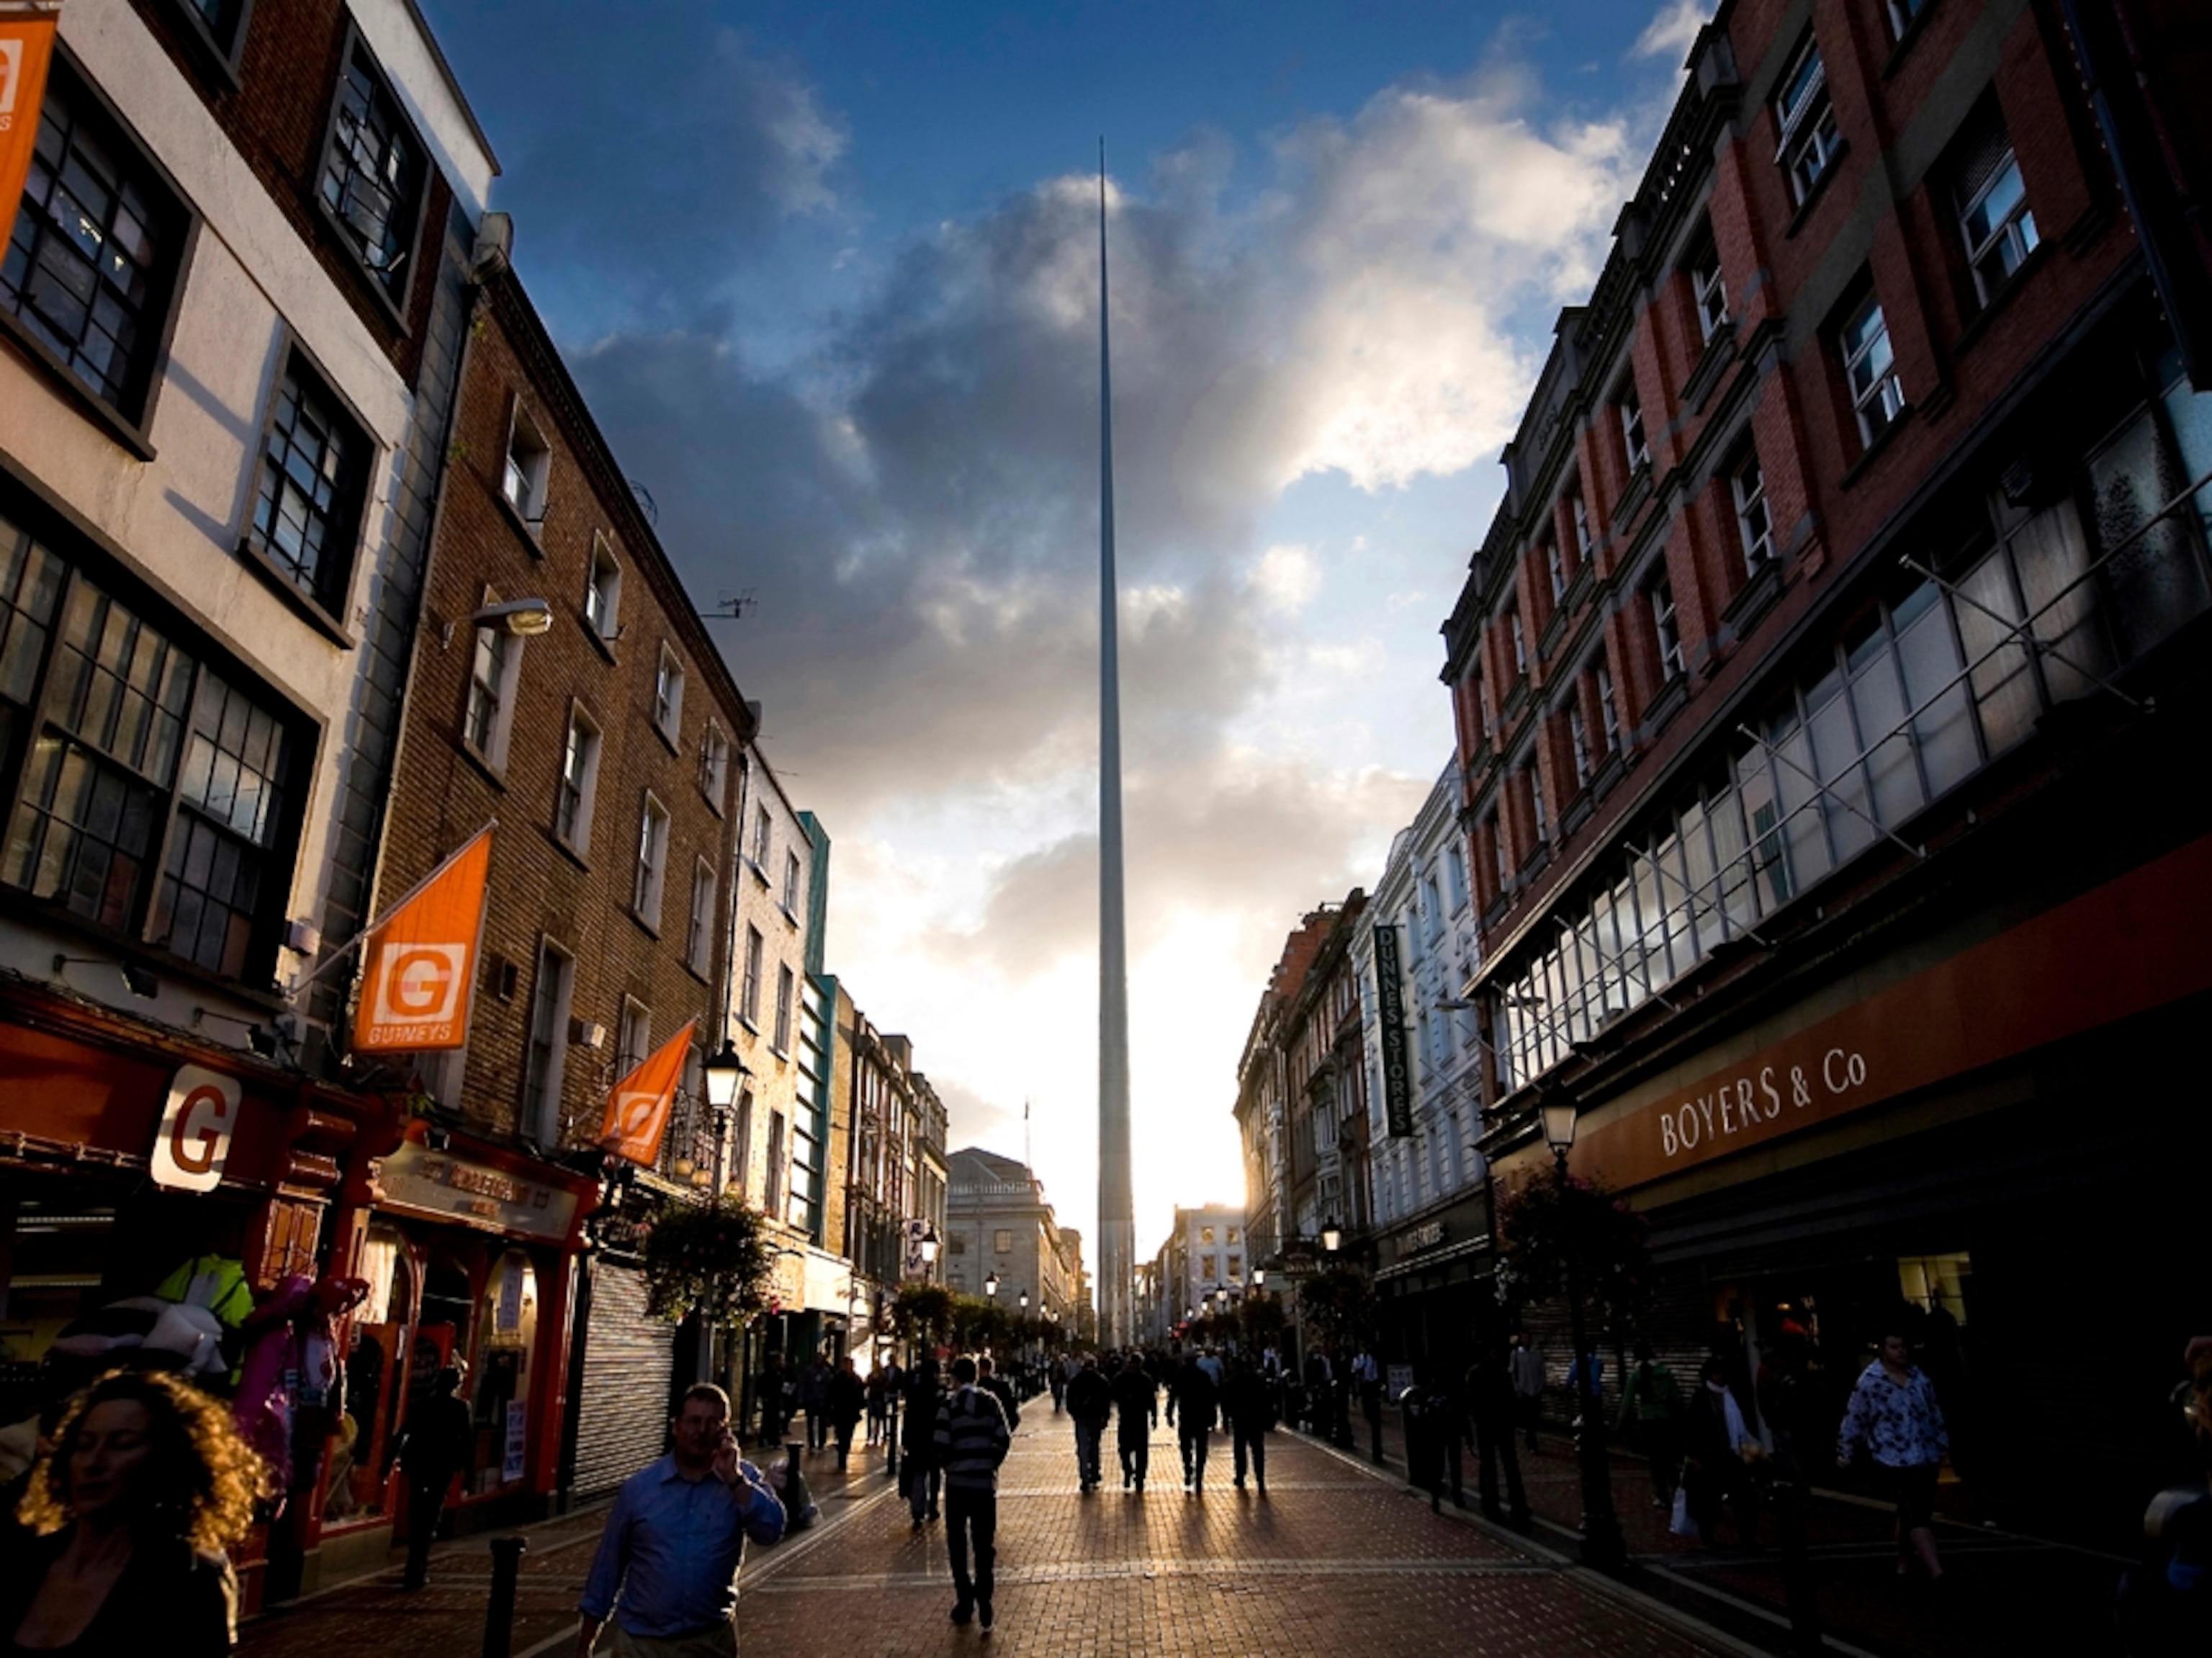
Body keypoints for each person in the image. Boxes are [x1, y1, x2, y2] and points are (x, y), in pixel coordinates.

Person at [2, 1369, 258, 1657]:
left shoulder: (184, 1583)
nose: (94, 1462)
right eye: (84, 1446)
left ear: (165, 1459)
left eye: (122, 1444)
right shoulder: (22, 1560)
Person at [575, 1382, 784, 1657]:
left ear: (725, 1431)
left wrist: (734, 1480)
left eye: (712, 1423)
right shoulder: (640, 1489)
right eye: (694, 1421)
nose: (701, 1431)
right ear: (676, 1427)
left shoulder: (740, 1480)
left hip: (709, 1643)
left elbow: (771, 1530)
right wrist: (585, 1643)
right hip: (642, 1645)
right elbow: (607, 1567)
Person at [1837, 1329, 1948, 1580]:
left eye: (1904, 1347)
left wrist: (1941, 1444)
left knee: (1914, 1511)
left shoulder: (1919, 1377)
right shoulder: (1870, 1381)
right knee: (1916, 1512)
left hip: (1924, 1453)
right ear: (1883, 1350)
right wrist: (1846, 1451)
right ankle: (1936, 1570)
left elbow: (1933, 1411)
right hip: (1893, 1457)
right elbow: (1855, 1418)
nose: (1901, 1352)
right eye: (1895, 1347)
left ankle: (1904, 1560)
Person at [935, 1356, 1011, 1631]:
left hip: (957, 1486)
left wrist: (951, 1466)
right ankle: (985, 1597)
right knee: (983, 1545)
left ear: (955, 1378)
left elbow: (941, 1444)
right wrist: (990, 1464)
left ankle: (965, 1601)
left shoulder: (948, 1407)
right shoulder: (991, 1404)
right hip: (983, 1486)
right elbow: (1004, 1437)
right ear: (976, 1376)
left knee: (957, 1545)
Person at [394, 1360, 475, 1590]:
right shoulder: (460, 1408)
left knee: (417, 1512)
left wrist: (388, 1463)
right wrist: (468, 1473)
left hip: (421, 1465)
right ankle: (419, 1566)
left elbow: (403, 1433)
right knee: (430, 1516)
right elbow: (467, 1442)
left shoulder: (424, 1404)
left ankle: (414, 1564)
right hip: (441, 1468)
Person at [1684, 1355, 1761, 1550]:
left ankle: (1748, 1536)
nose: (1720, 1377)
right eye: (1716, 1373)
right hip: (1711, 1456)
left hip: (1735, 1454)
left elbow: (1745, 1421)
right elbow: (1694, 1427)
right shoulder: (1702, 1397)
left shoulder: (1732, 1395)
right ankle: (1708, 1537)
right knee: (1709, 1499)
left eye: (1722, 1373)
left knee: (1745, 1497)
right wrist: (1695, 1456)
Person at [1467, 1342, 1530, 1526]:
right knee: (1507, 1465)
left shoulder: (1478, 1373)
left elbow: (1473, 1401)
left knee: (1491, 1466)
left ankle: (1492, 1504)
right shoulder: (1497, 1372)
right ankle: (1515, 1505)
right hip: (1499, 1423)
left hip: (1490, 1424)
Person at [1618, 1341, 1686, 1507]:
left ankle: (1663, 1496)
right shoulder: (1665, 1372)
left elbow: (1627, 1401)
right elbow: (1677, 1397)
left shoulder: (1637, 1375)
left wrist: (1620, 1421)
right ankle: (1679, 1493)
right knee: (1669, 1457)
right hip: (1665, 1418)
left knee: (1655, 1460)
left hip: (1648, 1420)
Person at [1169, 1349, 1218, 1495]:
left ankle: (1189, 1468)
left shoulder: (1180, 1376)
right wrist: (1213, 1415)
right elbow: (1211, 1397)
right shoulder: (1203, 1376)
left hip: (1186, 1416)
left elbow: (1173, 1396)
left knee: (1186, 1446)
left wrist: (1169, 1414)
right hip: (1200, 1417)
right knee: (1201, 1448)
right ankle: (1198, 1474)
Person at [1221, 1354, 1272, 1495]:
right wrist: (1267, 1417)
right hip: (1255, 1418)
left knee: (1240, 1449)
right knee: (1257, 1449)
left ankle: (1241, 1476)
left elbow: (1226, 1402)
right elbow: (1265, 1398)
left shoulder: (1232, 1381)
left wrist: (1226, 1420)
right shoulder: (1256, 1379)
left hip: (1240, 1419)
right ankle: (1260, 1478)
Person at [902, 1358, 943, 1532]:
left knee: (919, 1475)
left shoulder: (915, 1391)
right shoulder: (938, 1392)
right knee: (934, 1474)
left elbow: (908, 1415)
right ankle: (932, 1507)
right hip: (934, 1440)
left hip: (916, 1440)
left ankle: (918, 1511)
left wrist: (905, 1439)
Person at [1111, 1353, 1159, 1492]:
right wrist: (1154, 1416)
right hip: (1139, 1417)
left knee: (1126, 1448)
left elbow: (1113, 1394)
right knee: (1139, 1450)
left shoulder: (1122, 1377)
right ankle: (1138, 1477)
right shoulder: (1144, 1379)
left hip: (1128, 1417)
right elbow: (1152, 1400)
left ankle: (1131, 1473)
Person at [1064, 1355, 1112, 1493]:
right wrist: (1105, 1417)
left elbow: (1069, 1400)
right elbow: (1106, 1401)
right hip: (1096, 1418)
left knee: (1082, 1448)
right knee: (1094, 1446)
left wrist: (1074, 1414)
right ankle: (1095, 1473)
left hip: (1081, 1418)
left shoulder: (1076, 1381)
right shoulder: (1101, 1381)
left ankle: (1084, 1476)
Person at [826, 1355, 866, 1473]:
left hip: (851, 1412)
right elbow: (831, 1394)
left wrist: (861, 1406)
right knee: (841, 1434)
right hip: (840, 1411)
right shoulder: (837, 1378)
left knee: (848, 1436)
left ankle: (844, 1453)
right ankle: (841, 1458)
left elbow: (860, 1395)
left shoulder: (856, 1379)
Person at [1509, 1332, 1545, 1453]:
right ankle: (1531, 1443)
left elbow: (1542, 1372)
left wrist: (1540, 1387)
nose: (1527, 1340)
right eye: (1524, 1338)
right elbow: (1513, 1373)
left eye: (1528, 1337)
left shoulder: (1537, 1354)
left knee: (1534, 1418)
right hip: (1524, 1391)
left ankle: (1532, 1439)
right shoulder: (1516, 1354)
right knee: (1529, 1419)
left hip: (1536, 1390)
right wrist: (1517, 1388)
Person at [799, 1353, 833, 1453]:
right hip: (811, 1400)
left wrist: (828, 1399)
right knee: (810, 1423)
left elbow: (829, 1386)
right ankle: (812, 1444)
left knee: (822, 1423)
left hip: (822, 1401)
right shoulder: (809, 1371)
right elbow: (804, 1384)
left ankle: (822, 1443)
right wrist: (802, 1398)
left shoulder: (826, 1372)